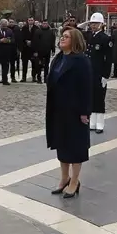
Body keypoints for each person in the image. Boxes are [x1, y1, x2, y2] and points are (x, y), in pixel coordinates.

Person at [46, 26, 93, 199]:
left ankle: (74, 181)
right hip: (58, 109)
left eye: (66, 37)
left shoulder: (81, 60)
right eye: (62, 36)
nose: (62, 39)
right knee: (61, 144)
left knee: (75, 146)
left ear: (74, 41)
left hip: (75, 110)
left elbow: (87, 88)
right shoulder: (58, 58)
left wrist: (84, 112)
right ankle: (64, 178)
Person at [86, 12, 112, 132]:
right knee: (90, 97)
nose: (93, 25)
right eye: (92, 23)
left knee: (99, 98)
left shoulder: (105, 38)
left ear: (101, 24)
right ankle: (92, 122)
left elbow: (108, 59)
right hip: (90, 72)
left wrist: (105, 76)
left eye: (96, 23)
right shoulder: (90, 36)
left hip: (100, 73)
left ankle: (100, 123)